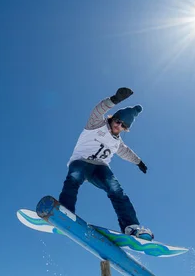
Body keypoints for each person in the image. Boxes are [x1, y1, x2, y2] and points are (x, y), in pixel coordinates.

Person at [59, 87, 153, 240]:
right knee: (73, 179)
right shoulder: (96, 124)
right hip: (80, 162)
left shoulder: (117, 142)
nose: (118, 126)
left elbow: (125, 152)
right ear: (112, 118)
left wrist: (139, 162)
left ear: (126, 129)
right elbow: (97, 110)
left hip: (100, 168)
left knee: (116, 190)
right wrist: (114, 99)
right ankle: (64, 211)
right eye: (117, 121)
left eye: (123, 125)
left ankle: (131, 227)